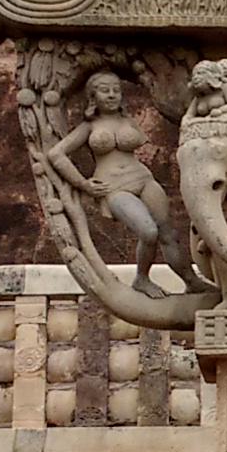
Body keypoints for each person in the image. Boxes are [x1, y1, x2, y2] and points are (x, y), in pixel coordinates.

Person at [47, 71, 192, 291]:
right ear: (93, 97)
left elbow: (145, 140)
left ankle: (192, 282)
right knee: (148, 231)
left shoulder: (127, 120)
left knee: (168, 234)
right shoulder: (89, 127)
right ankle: (142, 278)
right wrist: (83, 183)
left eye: (116, 90)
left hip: (143, 178)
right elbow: (57, 154)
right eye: (105, 91)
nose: (112, 95)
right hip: (113, 186)